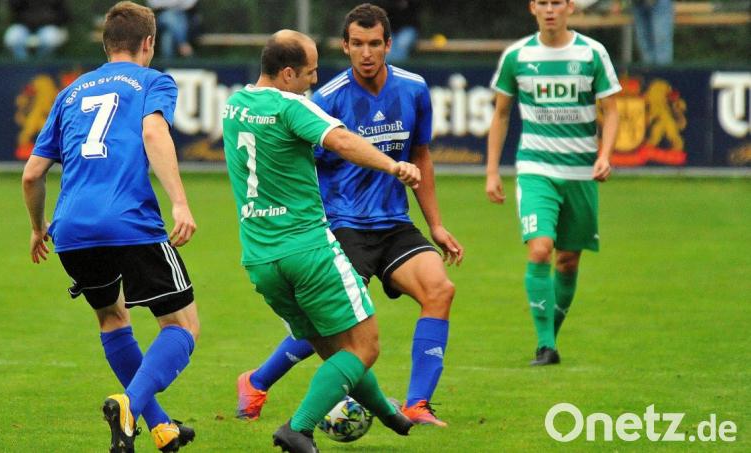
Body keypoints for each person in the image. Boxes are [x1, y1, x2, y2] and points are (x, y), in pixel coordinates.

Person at [236, 3, 463, 427]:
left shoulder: (413, 90)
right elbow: (300, 165)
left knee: (440, 290)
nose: (366, 53)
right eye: (357, 44)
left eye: (375, 43)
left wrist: (435, 224)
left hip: (394, 223)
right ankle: (258, 380)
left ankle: (417, 404)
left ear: (388, 44)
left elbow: (421, 157)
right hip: (342, 224)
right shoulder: (323, 98)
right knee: (336, 322)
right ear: (344, 46)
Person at [222, 29, 420, 453]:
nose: (314, 81)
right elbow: (342, 141)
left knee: (334, 348)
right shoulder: (291, 106)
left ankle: (388, 413)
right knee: (365, 346)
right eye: (310, 73)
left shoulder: (235, 105)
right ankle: (299, 427)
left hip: (260, 259)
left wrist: (387, 414)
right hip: (308, 250)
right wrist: (393, 166)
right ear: (288, 73)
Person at [21, 2, 199, 452]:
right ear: (149, 43)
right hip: (129, 222)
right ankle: (130, 402)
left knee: (111, 318)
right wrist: (179, 202)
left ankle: (159, 427)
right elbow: (155, 133)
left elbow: (32, 174)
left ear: (105, 44)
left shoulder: (72, 91)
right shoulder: (152, 80)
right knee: (182, 326)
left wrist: (38, 226)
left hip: (72, 230)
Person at [486, 0, 620, 366]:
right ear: (532, 8)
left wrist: (604, 155)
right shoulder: (517, 55)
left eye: (556, 3)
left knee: (568, 261)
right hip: (536, 169)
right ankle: (546, 346)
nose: (549, 10)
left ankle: (550, 339)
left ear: (569, 8)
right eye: (542, 3)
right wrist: (492, 171)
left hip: (580, 173)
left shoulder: (593, 53)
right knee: (540, 249)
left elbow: (611, 110)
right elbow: (500, 114)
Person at [4, 0, 70, 60]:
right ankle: (23, 65)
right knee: (13, 38)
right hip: (24, 26)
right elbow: (13, 8)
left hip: (48, 26)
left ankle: (41, 66)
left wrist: (56, 23)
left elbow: (64, 14)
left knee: (49, 39)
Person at [626, 0, 674, 65]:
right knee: (644, 44)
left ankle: (662, 74)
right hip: (637, 4)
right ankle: (650, 73)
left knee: (661, 43)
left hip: (659, 2)